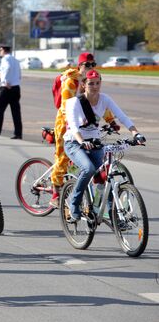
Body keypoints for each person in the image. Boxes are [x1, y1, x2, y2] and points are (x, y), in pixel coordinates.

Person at [63, 70, 145, 222]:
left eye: (97, 83)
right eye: (91, 83)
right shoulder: (74, 103)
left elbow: (122, 116)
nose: (95, 87)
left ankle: (113, 215)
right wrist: (82, 141)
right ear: (83, 85)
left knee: (106, 176)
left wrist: (136, 134)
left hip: (94, 142)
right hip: (74, 142)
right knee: (89, 168)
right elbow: (73, 127)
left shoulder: (105, 99)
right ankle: (73, 205)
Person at [49, 52, 117, 207]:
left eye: (93, 64)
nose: (90, 67)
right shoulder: (71, 81)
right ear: (79, 66)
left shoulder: (91, 82)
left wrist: (111, 120)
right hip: (66, 122)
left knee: (94, 154)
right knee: (63, 156)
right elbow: (67, 106)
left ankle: (97, 190)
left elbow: (97, 102)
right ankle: (55, 193)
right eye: (87, 65)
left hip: (87, 124)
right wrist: (76, 124)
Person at [0, 44, 22, 139]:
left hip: (6, 88)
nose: (0, 51)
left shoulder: (5, 59)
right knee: (16, 112)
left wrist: (4, 80)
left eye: (0, 50)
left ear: (3, 50)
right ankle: (18, 133)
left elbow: (7, 68)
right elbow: (19, 74)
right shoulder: (16, 60)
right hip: (16, 87)